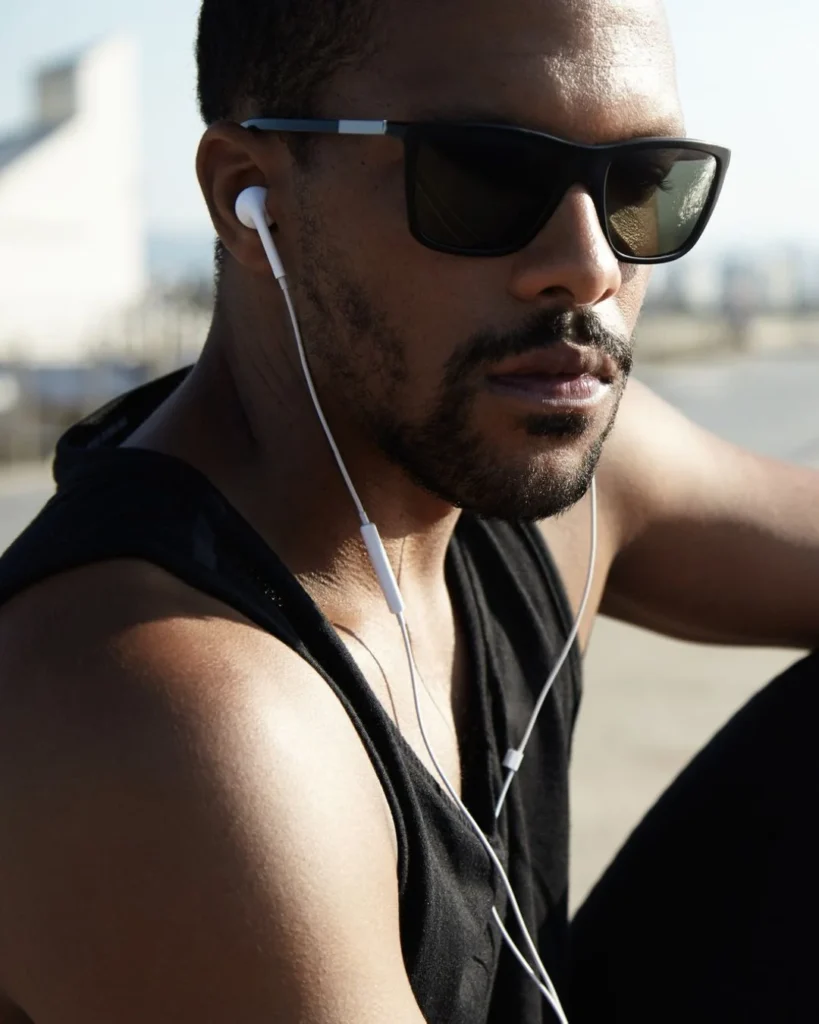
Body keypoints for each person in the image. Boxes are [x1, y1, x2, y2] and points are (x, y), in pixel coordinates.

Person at [0, 0, 816, 1021]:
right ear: (252, 197)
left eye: (643, 185)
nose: (593, 264)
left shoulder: (555, 475)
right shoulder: (164, 708)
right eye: (484, 175)